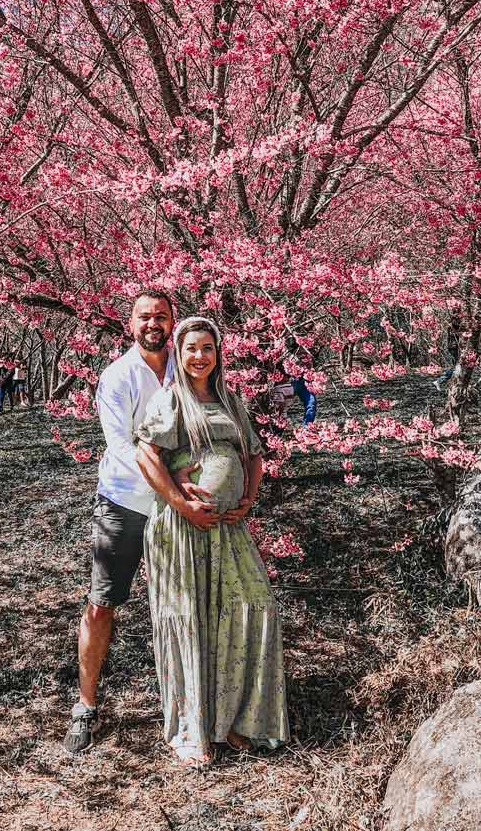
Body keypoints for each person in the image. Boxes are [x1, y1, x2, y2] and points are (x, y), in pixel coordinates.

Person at [134, 315, 289, 765]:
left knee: (254, 606)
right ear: (178, 355)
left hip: (228, 527)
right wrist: (182, 503)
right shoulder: (171, 400)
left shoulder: (229, 400)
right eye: (190, 349)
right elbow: (147, 455)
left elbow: (254, 455)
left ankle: (238, 720)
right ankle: (192, 730)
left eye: (207, 347)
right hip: (181, 530)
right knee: (190, 618)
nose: (199, 356)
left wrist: (248, 496)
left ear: (218, 354)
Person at [64, 290, 211, 754]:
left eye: (162, 317)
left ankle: (192, 704)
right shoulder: (117, 376)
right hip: (126, 502)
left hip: (177, 505)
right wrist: (173, 485)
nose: (153, 324)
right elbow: (122, 447)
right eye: (145, 317)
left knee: (187, 603)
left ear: (173, 323)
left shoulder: (187, 365)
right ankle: (86, 706)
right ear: (130, 324)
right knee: (102, 602)